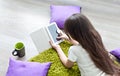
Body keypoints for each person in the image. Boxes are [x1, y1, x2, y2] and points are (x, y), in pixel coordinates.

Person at [49, 13, 120, 76]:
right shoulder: (95, 37)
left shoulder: (74, 50)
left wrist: (58, 48)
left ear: (72, 34)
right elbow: (84, 46)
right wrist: (68, 38)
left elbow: (68, 65)